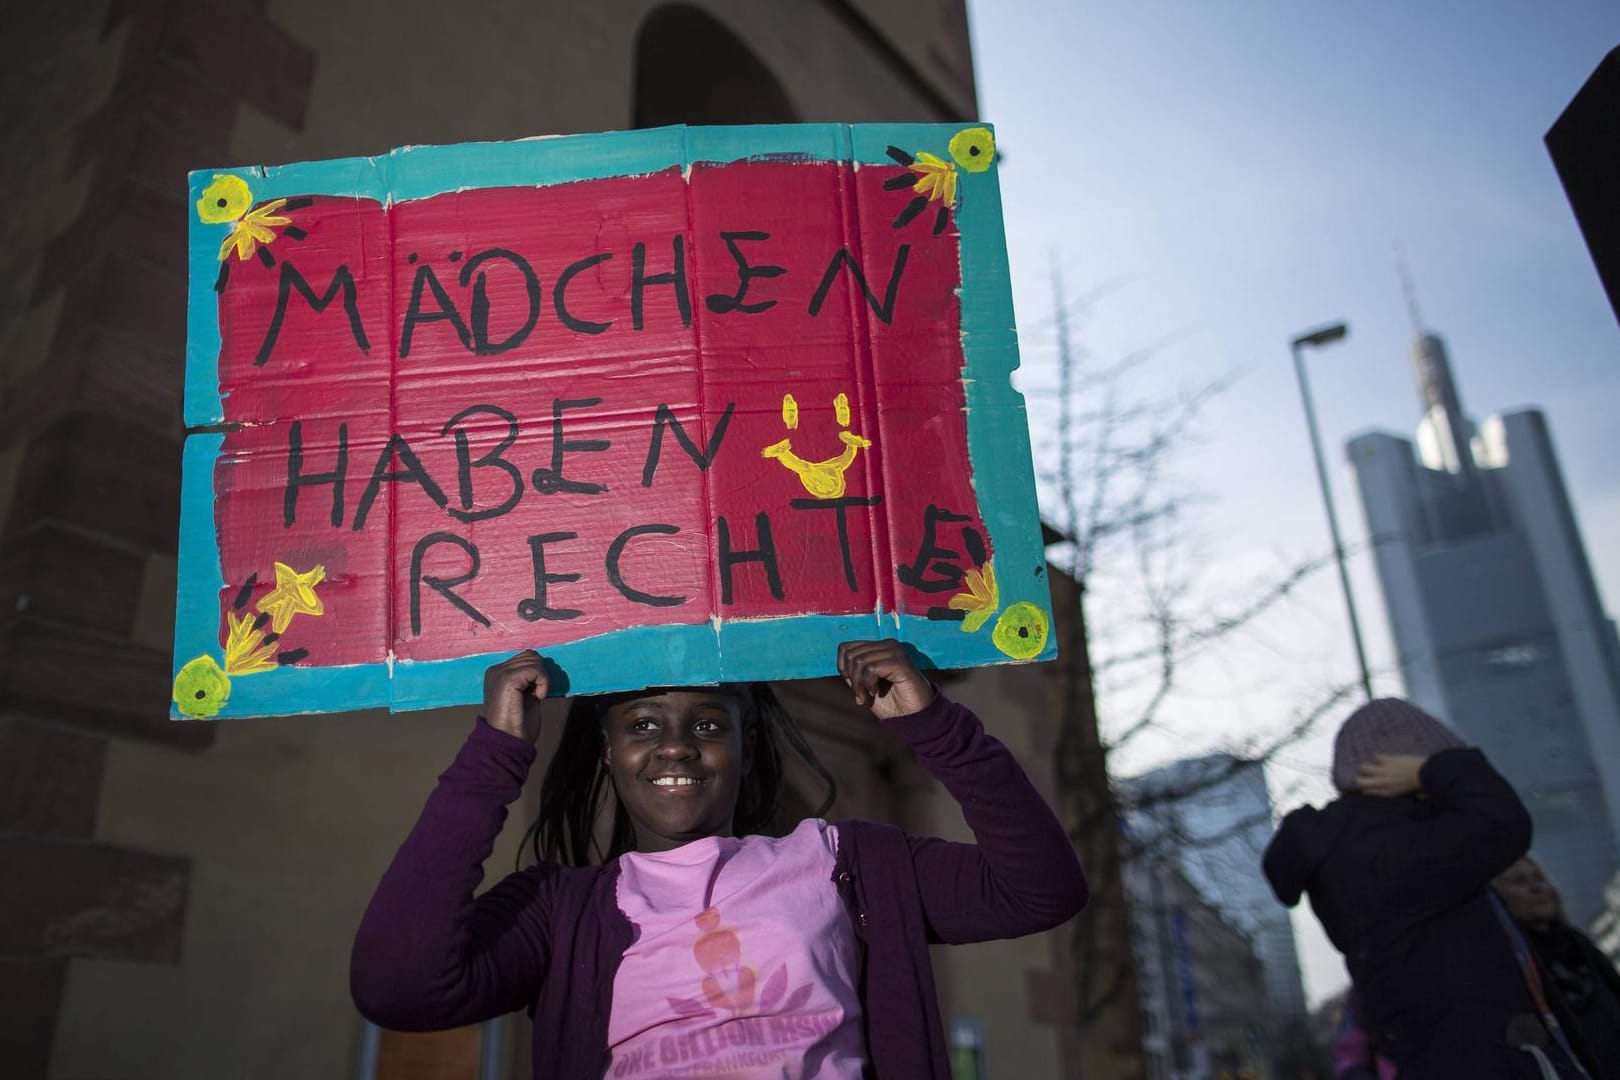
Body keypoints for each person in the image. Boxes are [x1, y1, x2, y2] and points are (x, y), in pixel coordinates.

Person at [350, 640, 1088, 1078]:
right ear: (608, 755)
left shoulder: (845, 862)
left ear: (745, 748)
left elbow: (1040, 891)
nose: (675, 745)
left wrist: (936, 727)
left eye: (708, 724)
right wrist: (496, 753)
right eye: (644, 726)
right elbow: (399, 987)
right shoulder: (558, 911)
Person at [1262, 697, 1538, 1078]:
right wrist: (1438, 770)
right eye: (1429, 762)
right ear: (1399, 767)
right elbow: (1503, 822)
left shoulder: (1347, 848)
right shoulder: (1389, 846)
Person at [1494, 856, 1620, 1078]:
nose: (1537, 888)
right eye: (1520, 881)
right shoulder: (1512, 964)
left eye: (1539, 879)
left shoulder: (1579, 945)